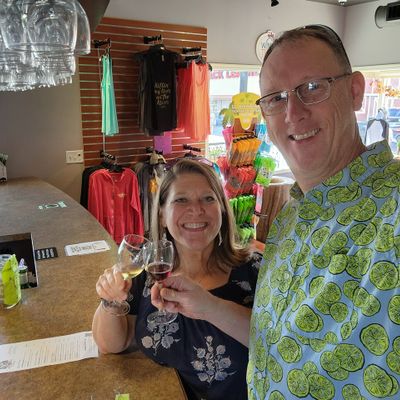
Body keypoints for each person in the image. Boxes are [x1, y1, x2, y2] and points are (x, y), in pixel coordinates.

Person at [158, 25, 400, 400]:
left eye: (313, 87)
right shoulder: (290, 216)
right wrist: (205, 306)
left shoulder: (392, 205)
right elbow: (274, 340)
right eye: (276, 98)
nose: (293, 113)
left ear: (355, 91)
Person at [92, 158, 260, 400]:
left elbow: (279, 342)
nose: (196, 210)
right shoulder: (147, 269)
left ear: (222, 209)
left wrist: (211, 307)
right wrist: (111, 299)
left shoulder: (255, 271)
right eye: (181, 200)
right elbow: (110, 345)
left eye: (208, 198)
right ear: (161, 215)